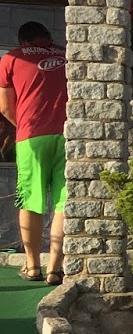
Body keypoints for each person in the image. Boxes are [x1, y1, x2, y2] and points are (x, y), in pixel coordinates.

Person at [0, 21, 67, 284]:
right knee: (63, 203)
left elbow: (5, 107)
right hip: (67, 135)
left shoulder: (11, 59)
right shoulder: (66, 55)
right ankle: (55, 268)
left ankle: (32, 266)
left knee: (30, 201)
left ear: (23, 41)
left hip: (31, 137)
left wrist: (26, 125)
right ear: (48, 38)